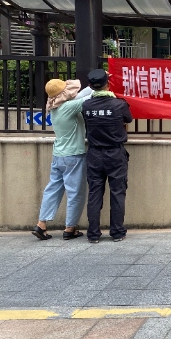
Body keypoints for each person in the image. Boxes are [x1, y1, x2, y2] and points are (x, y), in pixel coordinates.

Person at [32, 79, 92, 241]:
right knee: (75, 192)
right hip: (73, 156)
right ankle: (70, 228)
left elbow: (80, 95)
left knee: (52, 189)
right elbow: (91, 97)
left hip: (58, 155)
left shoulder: (54, 107)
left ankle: (41, 224)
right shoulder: (69, 107)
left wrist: (91, 85)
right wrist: (102, 82)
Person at [82, 69, 132, 243]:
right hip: (115, 154)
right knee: (117, 192)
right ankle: (117, 232)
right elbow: (128, 119)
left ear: (90, 86)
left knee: (95, 193)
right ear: (108, 83)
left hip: (94, 153)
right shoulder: (119, 104)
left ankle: (93, 234)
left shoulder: (87, 106)